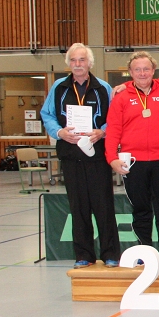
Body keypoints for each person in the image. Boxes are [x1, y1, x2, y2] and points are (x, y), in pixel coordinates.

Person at [40, 43, 121, 269]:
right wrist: (59, 132)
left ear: (90, 63)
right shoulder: (58, 87)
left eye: (82, 60)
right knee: (78, 208)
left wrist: (102, 131)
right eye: (74, 60)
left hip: (97, 157)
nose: (78, 64)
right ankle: (84, 255)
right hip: (71, 156)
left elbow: (114, 117)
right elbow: (47, 114)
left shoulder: (103, 87)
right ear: (69, 63)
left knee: (104, 207)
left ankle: (110, 254)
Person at [105, 51, 159, 266]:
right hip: (134, 162)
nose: (142, 73)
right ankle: (144, 250)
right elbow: (113, 130)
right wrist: (112, 158)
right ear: (130, 72)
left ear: (154, 70)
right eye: (137, 69)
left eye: (146, 69)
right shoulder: (121, 97)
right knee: (140, 209)